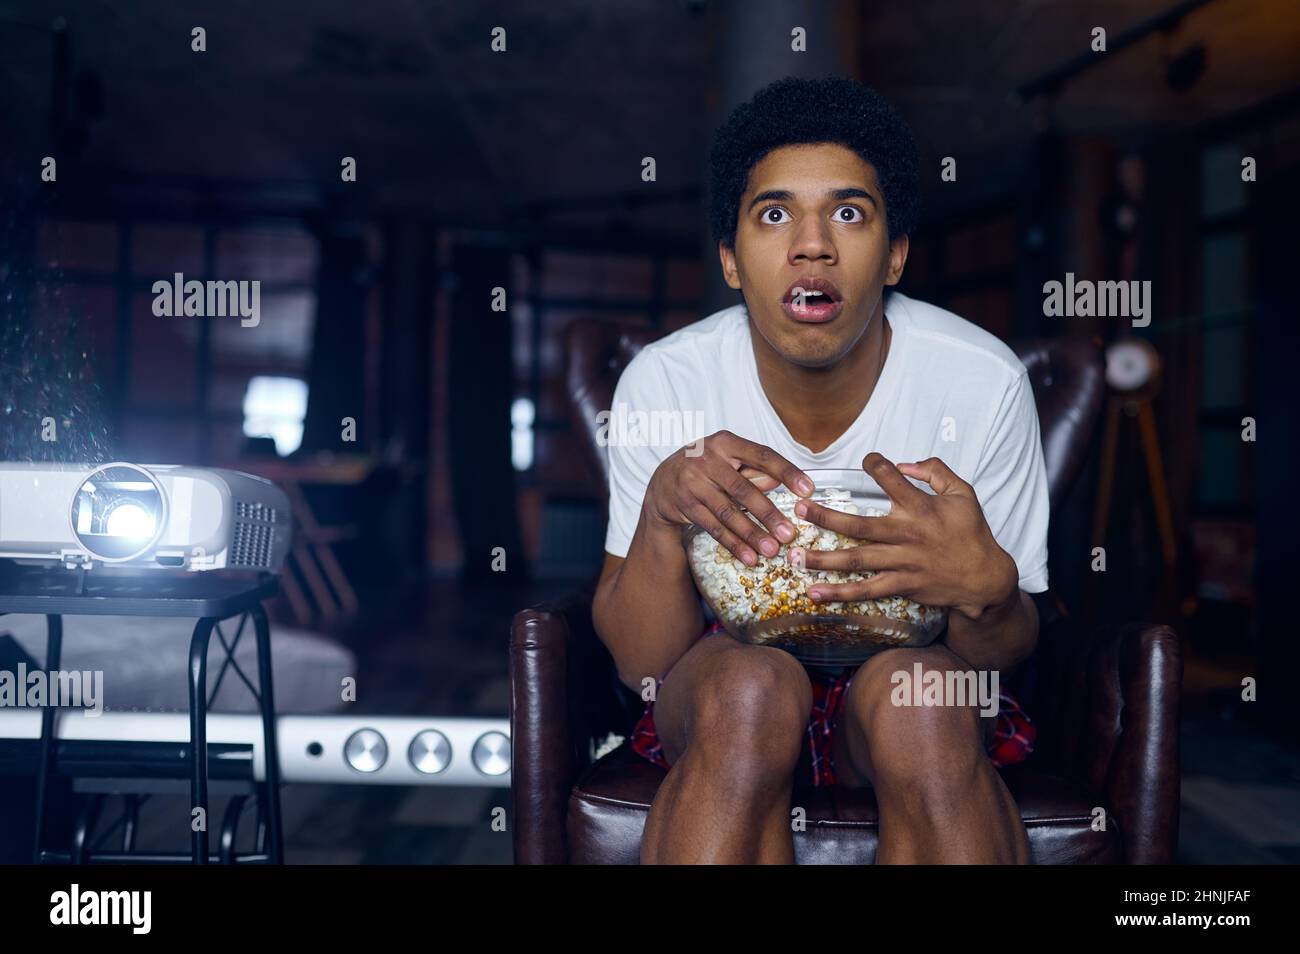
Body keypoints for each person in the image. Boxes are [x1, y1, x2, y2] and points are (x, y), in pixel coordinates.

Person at [591, 75, 1049, 864]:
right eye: (775, 214)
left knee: (924, 711)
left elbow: (999, 655)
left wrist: (989, 588)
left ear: (896, 253)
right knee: (749, 694)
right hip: (725, 666)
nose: (813, 243)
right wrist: (664, 517)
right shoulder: (667, 383)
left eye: (848, 212)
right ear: (731, 261)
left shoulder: (982, 380)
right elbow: (643, 666)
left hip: (913, 665)